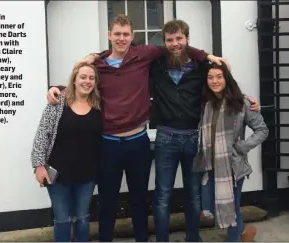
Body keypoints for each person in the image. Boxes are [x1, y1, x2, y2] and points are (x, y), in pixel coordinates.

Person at [46, 14, 226, 242]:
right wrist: (57, 89)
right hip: (108, 143)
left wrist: (208, 56)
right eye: (117, 34)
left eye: (126, 34)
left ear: (133, 37)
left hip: (138, 142)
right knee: (107, 200)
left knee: (139, 198)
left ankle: (142, 239)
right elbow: (81, 84)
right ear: (109, 35)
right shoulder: (99, 65)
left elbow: (177, 47)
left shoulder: (144, 55)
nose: (122, 38)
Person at [149, 19, 260, 242]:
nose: (175, 44)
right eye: (170, 40)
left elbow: (222, 83)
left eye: (179, 38)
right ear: (165, 42)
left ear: (187, 39)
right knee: (162, 196)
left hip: (194, 138)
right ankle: (161, 239)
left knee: (193, 195)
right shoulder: (156, 64)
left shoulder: (202, 67)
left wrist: (247, 99)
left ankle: (193, 237)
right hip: (165, 137)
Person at [192, 62, 269, 242]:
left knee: (231, 206)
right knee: (221, 205)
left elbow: (262, 130)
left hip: (233, 167)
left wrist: (242, 147)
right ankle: (244, 233)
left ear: (227, 79)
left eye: (219, 77)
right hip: (210, 165)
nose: (214, 81)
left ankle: (233, 239)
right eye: (210, 77)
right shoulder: (206, 104)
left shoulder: (242, 103)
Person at [31, 63, 102, 242]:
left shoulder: (98, 105)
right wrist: (38, 166)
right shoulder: (58, 103)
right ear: (74, 80)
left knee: (83, 219)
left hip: (87, 174)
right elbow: (42, 135)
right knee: (62, 220)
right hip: (57, 174)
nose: (87, 81)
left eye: (91, 78)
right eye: (83, 77)